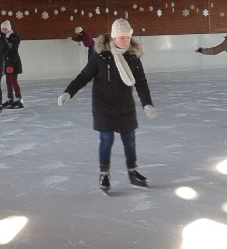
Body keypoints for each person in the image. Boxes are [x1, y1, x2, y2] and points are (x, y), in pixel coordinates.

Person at [57, 18, 157, 192]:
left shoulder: (133, 56)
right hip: (103, 106)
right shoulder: (101, 56)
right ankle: (104, 174)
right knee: (106, 140)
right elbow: (83, 77)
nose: (125, 40)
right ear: (114, 37)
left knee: (129, 140)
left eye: (127, 37)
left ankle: (133, 172)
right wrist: (68, 92)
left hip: (125, 106)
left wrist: (147, 104)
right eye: (121, 37)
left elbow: (141, 82)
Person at [0, 20, 24, 109]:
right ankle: (10, 99)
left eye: (5, 29)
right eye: (2, 29)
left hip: (13, 63)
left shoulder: (14, 37)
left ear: (9, 29)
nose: (4, 30)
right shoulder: (3, 37)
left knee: (13, 81)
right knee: (8, 81)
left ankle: (19, 100)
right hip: (7, 62)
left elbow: (14, 52)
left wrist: (11, 65)